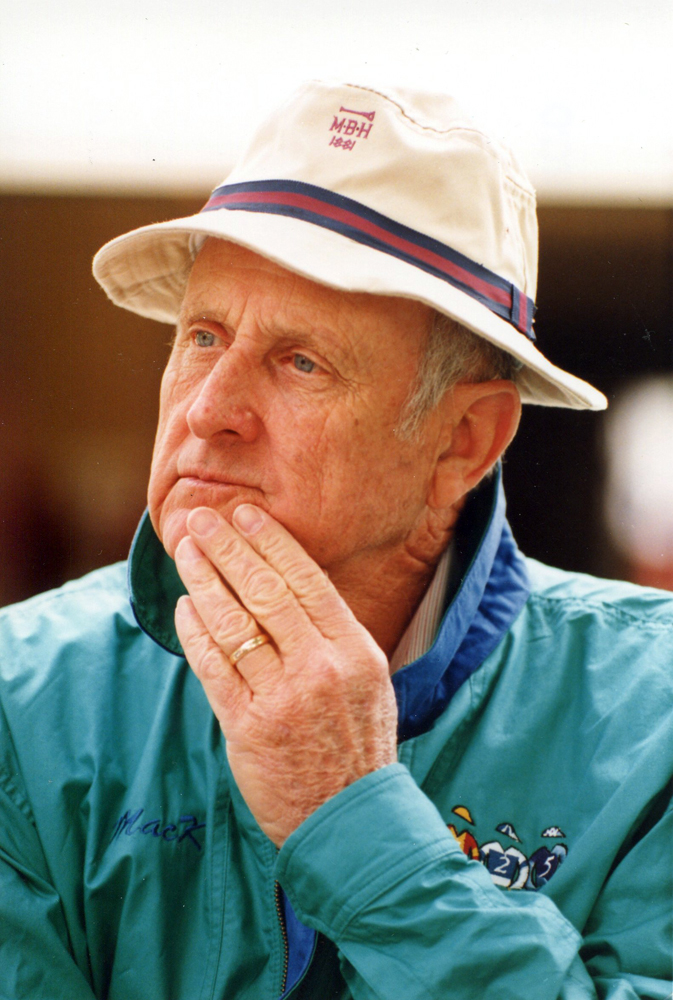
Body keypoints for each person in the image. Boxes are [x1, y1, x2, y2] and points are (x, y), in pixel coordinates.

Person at [0, 80, 671, 1000]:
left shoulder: (655, 720)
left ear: (463, 441)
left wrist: (347, 815)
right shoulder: (22, 696)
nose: (208, 409)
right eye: (202, 337)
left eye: (300, 361)